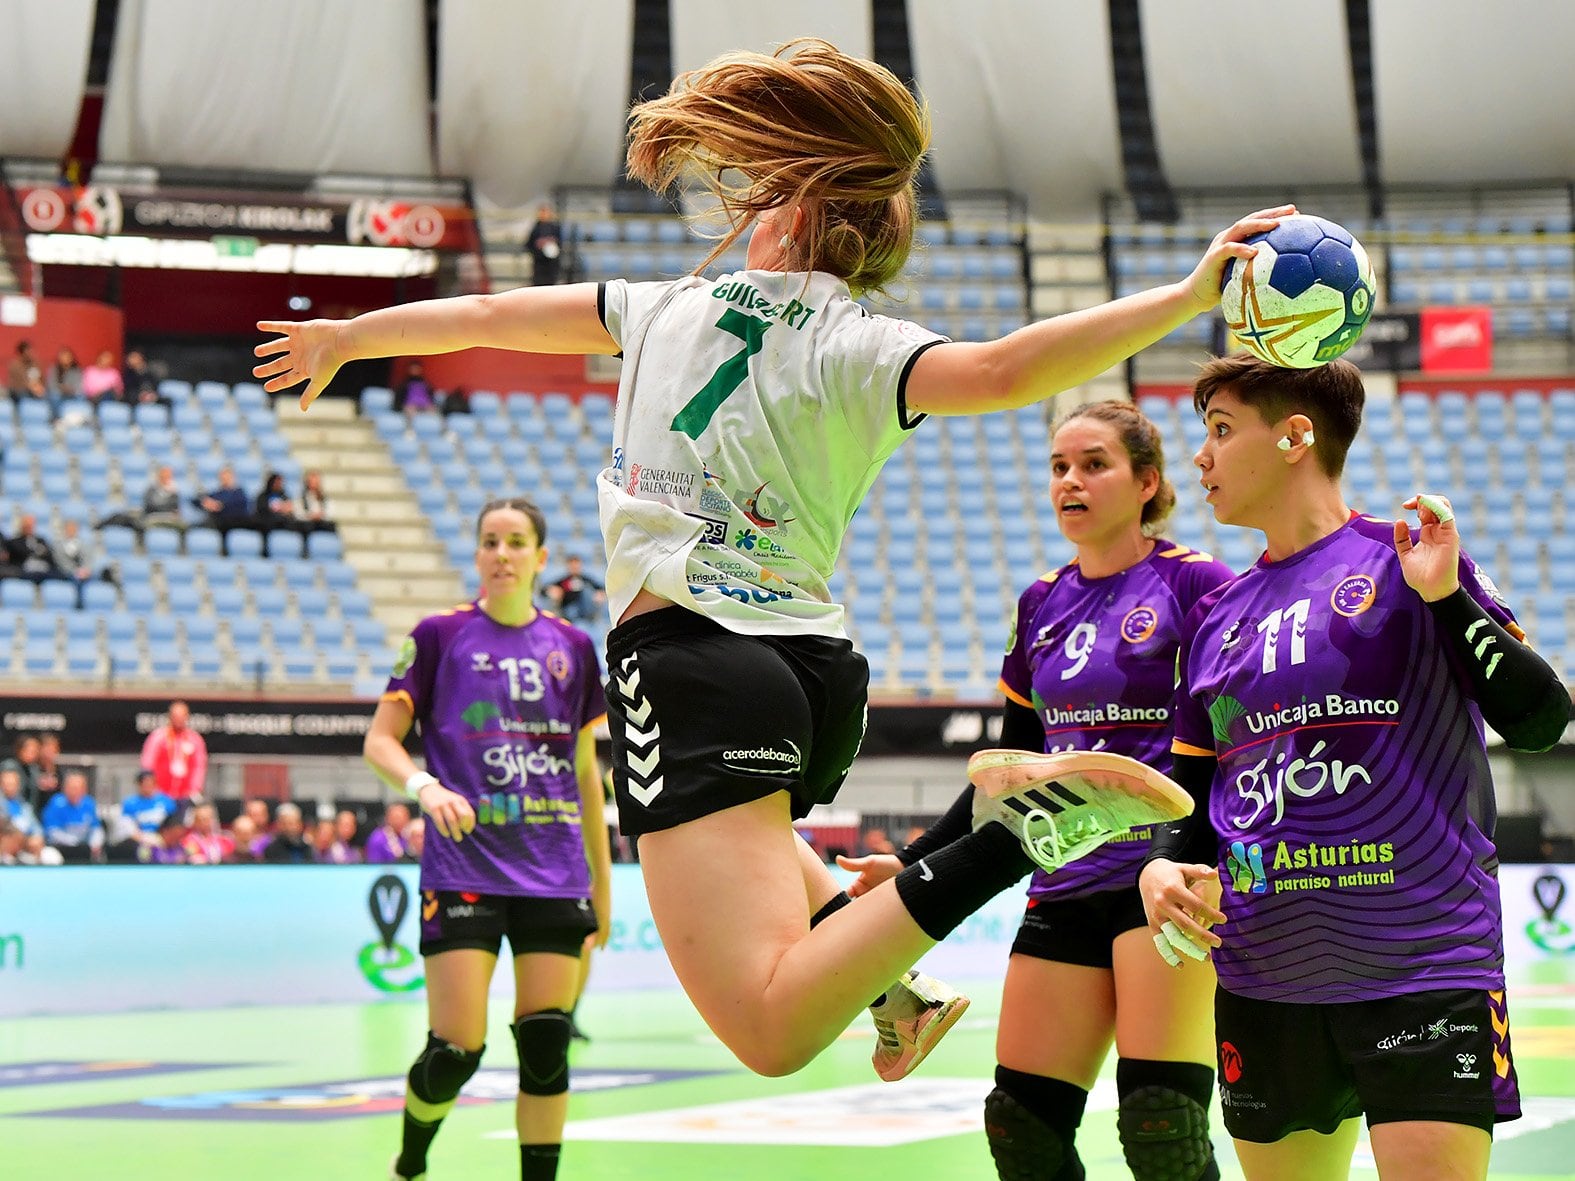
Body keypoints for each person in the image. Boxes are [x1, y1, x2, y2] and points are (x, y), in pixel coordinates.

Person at [255, 38, 1286, 1080]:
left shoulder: (661, 307)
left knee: (770, 1027)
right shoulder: (862, 340)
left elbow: (483, 315)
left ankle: (1014, 835)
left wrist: (348, 337)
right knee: (755, 857)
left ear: (791, 211)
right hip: (809, 672)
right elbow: (1010, 368)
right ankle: (898, 978)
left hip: (689, 658)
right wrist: (1188, 294)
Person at [1140, 355, 1572, 1181]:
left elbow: (1541, 720)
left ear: (1296, 435)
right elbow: (1192, 798)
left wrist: (1447, 597)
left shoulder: (1407, 561)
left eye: (1221, 430)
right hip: (1263, 975)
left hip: (1423, 964)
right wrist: (1162, 861)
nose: (1201, 456)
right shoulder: (1211, 616)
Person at [840, 401, 1234, 1180]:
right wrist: (915, 861)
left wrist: (1197, 861)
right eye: (1058, 467)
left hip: (1159, 885)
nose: (1069, 481)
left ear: (1146, 480)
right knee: (1020, 1125)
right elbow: (1011, 764)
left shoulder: (1198, 584)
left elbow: (1222, 746)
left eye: (1093, 464)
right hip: (1060, 882)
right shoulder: (1040, 602)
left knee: (1161, 1129)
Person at [358, 498, 610, 1181]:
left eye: (516, 541)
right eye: (490, 541)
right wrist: (424, 787)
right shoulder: (439, 636)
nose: (502, 552)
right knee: (455, 1050)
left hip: (555, 872)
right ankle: (412, 1156)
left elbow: (587, 775)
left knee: (546, 1042)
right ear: (476, 555)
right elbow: (379, 740)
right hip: (462, 867)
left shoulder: (574, 647)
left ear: (540, 558)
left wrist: (603, 887)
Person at [140, 700, 208, 801]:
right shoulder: (158, 737)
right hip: (160, 794)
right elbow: (148, 762)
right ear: (170, 716)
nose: (179, 720)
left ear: (187, 717)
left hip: (186, 794)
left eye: (182, 716)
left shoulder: (195, 739)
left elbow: (199, 766)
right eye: (176, 716)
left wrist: (195, 788)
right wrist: (151, 787)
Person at [41, 770, 104, 862]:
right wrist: (74, 842)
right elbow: (52, 832)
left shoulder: (89, 803)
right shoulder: (56, 803)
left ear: (85, 790)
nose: (75, 792)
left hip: (84, 848)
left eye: (79, 788)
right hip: (61, 848)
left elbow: (96, 828)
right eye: (72, 788)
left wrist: (95, 843)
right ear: (65, 788)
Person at [542, 555, 604, 623]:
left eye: (576, 566)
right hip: (567, 610)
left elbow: (601, 588)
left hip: (585, 609)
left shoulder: (586, 580)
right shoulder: (563, 581)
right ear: (568, 566)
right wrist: (552, 591)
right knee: (571, 611)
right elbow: (543, 590)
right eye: (572, 566)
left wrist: (599, 594)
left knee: (587, 590)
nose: (575, 568)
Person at [526, 203, 562, 286]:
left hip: (551, 264)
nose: (544, 215)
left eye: (546, 212)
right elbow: (529, 244)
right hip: (539, 264)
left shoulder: (555, 228)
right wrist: (538, 248)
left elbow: (560, 245)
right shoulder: (535, 228)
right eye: (542, 212)